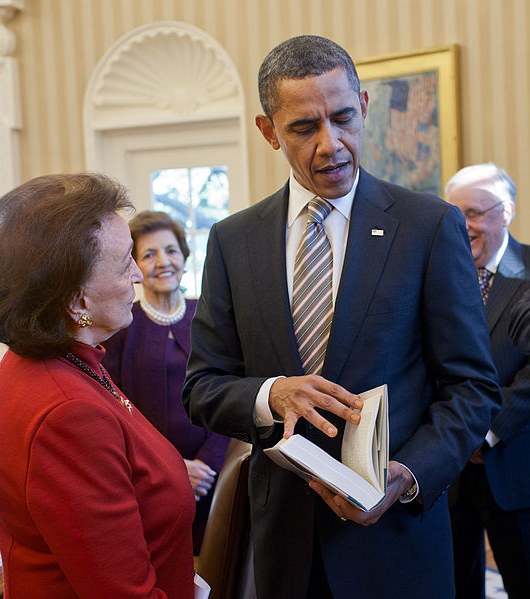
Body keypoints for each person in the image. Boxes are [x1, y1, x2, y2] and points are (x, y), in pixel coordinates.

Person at [182, 35, 501, 599]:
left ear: (366, 108)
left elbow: (472, 387)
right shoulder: (234, 241)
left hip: (399, 543)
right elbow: (203, 387)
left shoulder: (427, 227)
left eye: (344, 118)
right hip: (283, 549)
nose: (332, 144)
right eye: (304, 128)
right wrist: (272, 394)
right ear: (268, 130)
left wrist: (404, 476)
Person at [0, 173, 195, 598]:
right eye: (126, 260)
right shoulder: (68, 411)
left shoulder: (64, 357)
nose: (137, 276)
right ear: (76, 300)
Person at [102, 210, 229, 555]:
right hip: (150, 479)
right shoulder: (122, 328)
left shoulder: (211, 316)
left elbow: (230, 390)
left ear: (184, 257)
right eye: (148, 254)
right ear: (134, 267)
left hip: (216, 476)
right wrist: (173, 469)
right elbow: (117, 408)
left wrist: (207, 465)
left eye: (171, 250)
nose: (163, 262)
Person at [445, 162, 530, 599]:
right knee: (456, 586)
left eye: (475, 212)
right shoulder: (439, 276)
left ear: (507, 211)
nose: (464, 225)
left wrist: (487, 431)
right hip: (450, 471)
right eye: (454, 213)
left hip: (513, 466)